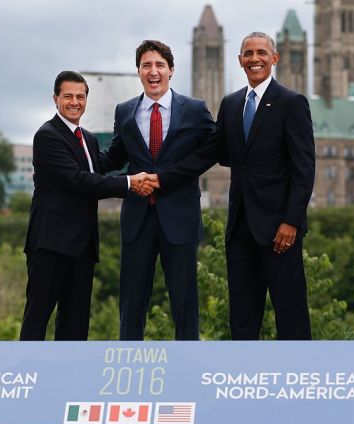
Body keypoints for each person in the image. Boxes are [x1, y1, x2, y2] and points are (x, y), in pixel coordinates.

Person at [157, 32, 315, 340]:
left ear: (274, 58)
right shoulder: (230, 105)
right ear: (240, 60)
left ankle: (297, 377)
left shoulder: (292, 103)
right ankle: (244, 377)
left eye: (261, 53)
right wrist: (162, 177)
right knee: (242, 311)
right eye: (248, 54)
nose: (255, 59)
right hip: (240, 226)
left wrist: (291, 220)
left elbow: (304, 169)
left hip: (280, 228)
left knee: (290, 309)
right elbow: (210, 153)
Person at [20, 70, 157, 341]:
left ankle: (69, 379)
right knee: (38, 317)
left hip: (82, 246)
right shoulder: (47, 136)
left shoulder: (88, 138)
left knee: (76, 322)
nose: (74, 102)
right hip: (50, 244)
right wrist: (130, 183)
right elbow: (80, 181)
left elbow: (102, 164)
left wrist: (132, 128)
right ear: (55, 99)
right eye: (68, 96)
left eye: (80, 97)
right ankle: (28, 378)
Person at [98, 40, 215, 340]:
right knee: (132, 305)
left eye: (159, 65)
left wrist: (166, 178)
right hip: (137, 222)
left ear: (171, 70)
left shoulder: (194, 109)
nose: (153, 71)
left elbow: (210, 151)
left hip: (180, 220)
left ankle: (186, 365)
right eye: (146, 65)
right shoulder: (125, 111)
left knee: (184, 304)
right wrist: (75, 152)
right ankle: (128, 365)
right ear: (138, 71)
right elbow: (113, 156)